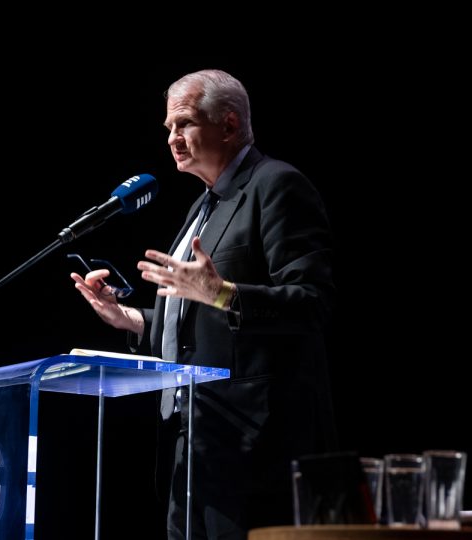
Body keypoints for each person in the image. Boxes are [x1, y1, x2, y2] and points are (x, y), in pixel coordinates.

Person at [70, 69, 338, 539]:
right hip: (194, 444)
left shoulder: (276, 185)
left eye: (185, 124)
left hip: (256, 450)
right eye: (169, 129)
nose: (173, 138)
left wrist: (221, 292)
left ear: (229, 125)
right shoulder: (204, 206)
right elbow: (196, 325)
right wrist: (128, 318)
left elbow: (311, 303)